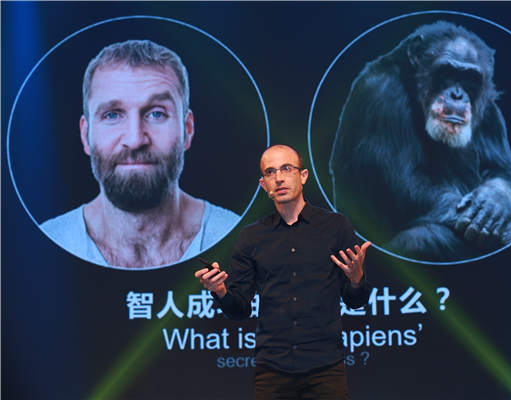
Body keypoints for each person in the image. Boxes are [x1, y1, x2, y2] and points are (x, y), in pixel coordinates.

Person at [41, 40, 240, 269]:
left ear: (187, 129)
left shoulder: (239, 240)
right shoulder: (46, 244)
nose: (135, 140)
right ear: (86, 135)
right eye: (113, 115)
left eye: (156, 114)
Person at [195, 144, 371, 399]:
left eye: (287, 169)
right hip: (272, 369)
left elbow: (357, 301)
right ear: (263, 185)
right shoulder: (252, 237)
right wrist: (220, 291)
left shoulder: (335, 226)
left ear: (303, 176)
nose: (278, 178)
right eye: (270, 172)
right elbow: (239, 309)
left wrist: (356, 279)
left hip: (325, 366)